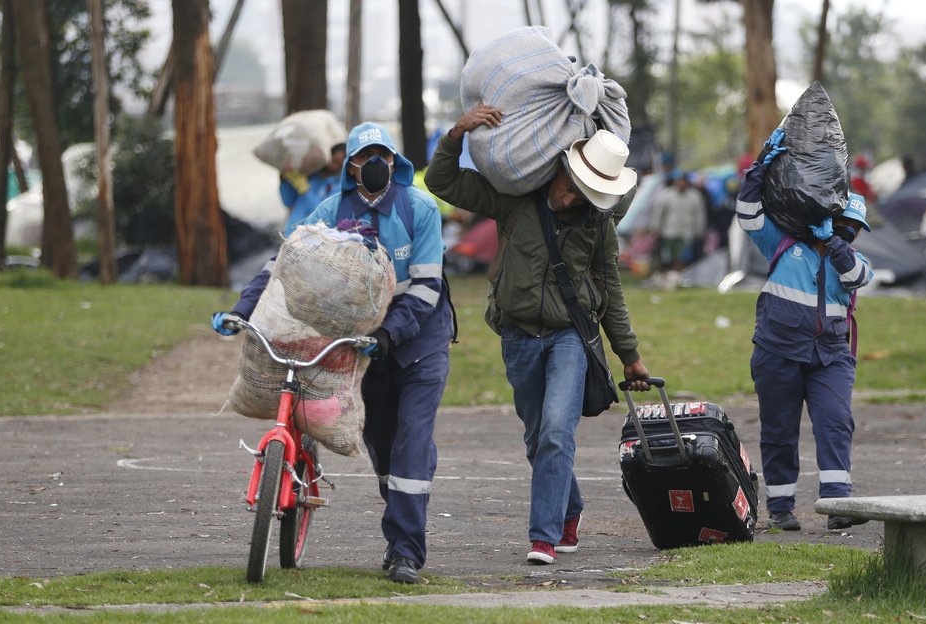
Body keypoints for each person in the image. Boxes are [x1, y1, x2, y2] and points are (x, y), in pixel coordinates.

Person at [214, 122, 454, 584]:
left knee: (411, 443)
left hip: (420, 344)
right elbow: (282, 262)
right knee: (381, 446)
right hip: (360, 349)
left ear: (395, 162)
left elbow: (426, 287)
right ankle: (400, 528)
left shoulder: (419, 208)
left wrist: (390, 334)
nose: (375, 167)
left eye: (383, 156)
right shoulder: (329, 209)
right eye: (365, 159)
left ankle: (406, 552)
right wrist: (241, 309)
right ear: (350, 167)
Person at [424, 104, 651, 565]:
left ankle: (543, 537)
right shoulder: (514, 200)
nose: (570, 199)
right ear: (562, 169)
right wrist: (457, 134)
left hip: (570, 336)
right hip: (518, 336)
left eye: (583, 194)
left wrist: (629, 355)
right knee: (536, 438)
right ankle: (571, 508)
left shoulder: (596, 224)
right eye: (571, 186)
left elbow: (610, 287)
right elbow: (442, 183)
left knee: (555, 433)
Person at [736, 127, 874, 532]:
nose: (851, 233)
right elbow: (747, 214)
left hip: (830, 356)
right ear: (829, 215)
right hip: (777, 352)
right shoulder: (780, 243)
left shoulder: (851, 259)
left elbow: (856, 277)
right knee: (778, 431)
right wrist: (759, 167)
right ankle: (780, 508)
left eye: (854, 229)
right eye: (846, 224)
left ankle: (838, 504)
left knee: (836, 422)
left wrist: (836, 245)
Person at [279, 142, 346, 236]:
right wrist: (284, 181)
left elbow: (323, 213)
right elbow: (288, 201)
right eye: (331, 159)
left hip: (311, 240)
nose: (331, 164)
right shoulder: (311, 176)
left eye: (336, 163)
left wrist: (305, 191)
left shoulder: (339, 187)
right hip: (290, 234)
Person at [648, 170, 707, 273]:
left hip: (687, 232)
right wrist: (655, 228)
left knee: (683, 257)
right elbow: (659, 213)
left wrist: (699, 230)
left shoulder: (694, 196)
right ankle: (669, 275)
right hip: (669, 232)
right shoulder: (666, 195)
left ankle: (680, 276)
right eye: (679, 181)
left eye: (684, 181)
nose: (681, 183)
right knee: (668, 257)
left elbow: (699, 215)